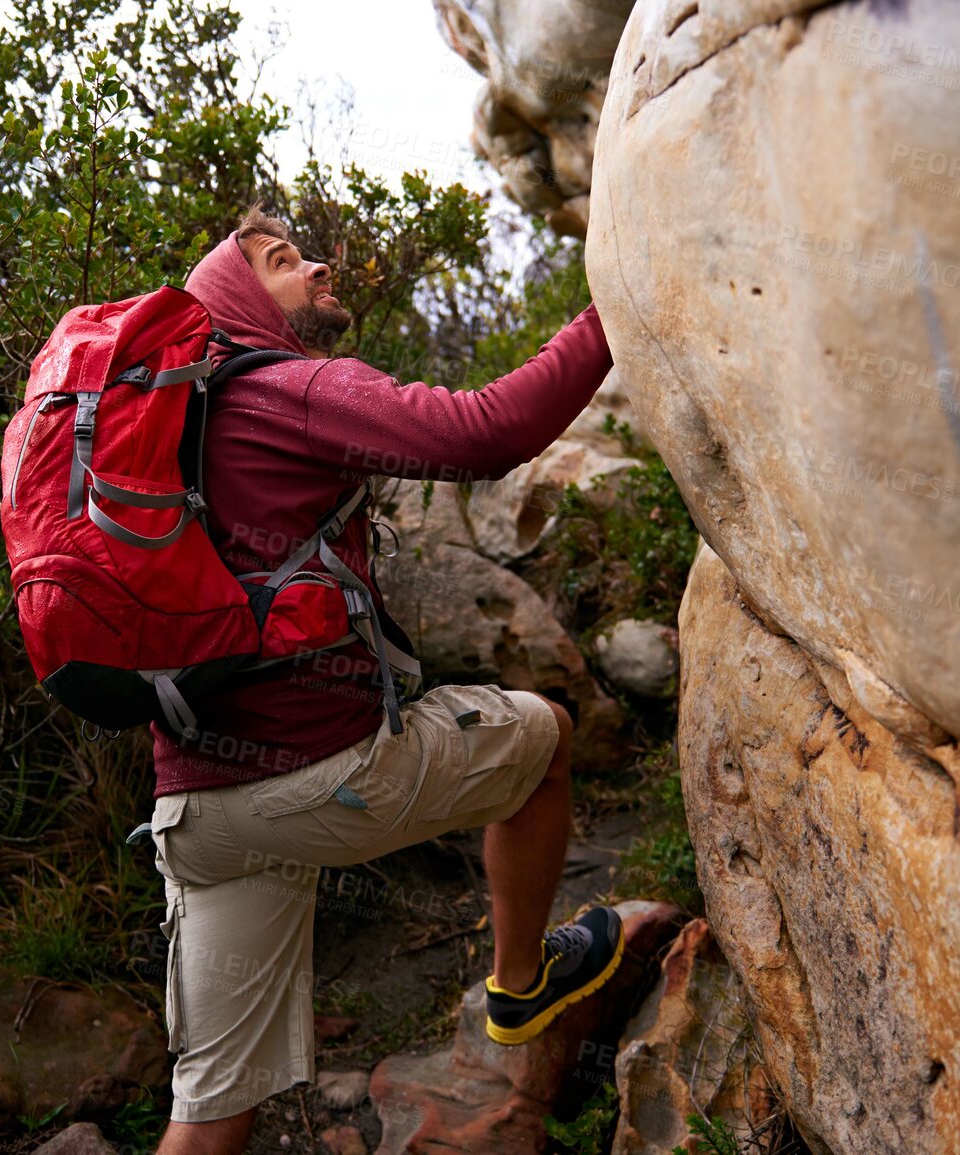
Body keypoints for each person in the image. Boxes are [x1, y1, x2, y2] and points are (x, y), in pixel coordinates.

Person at [145, 206, 623, 1155]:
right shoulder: (286, 388)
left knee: (207, 1122)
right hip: (312, 777)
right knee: (547, 738)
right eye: (284, 263)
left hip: (196, 812)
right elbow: (488, 432)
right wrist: (616, 311)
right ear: (242, 300)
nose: (317, 267)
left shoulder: (182, 423)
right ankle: (521, 989)